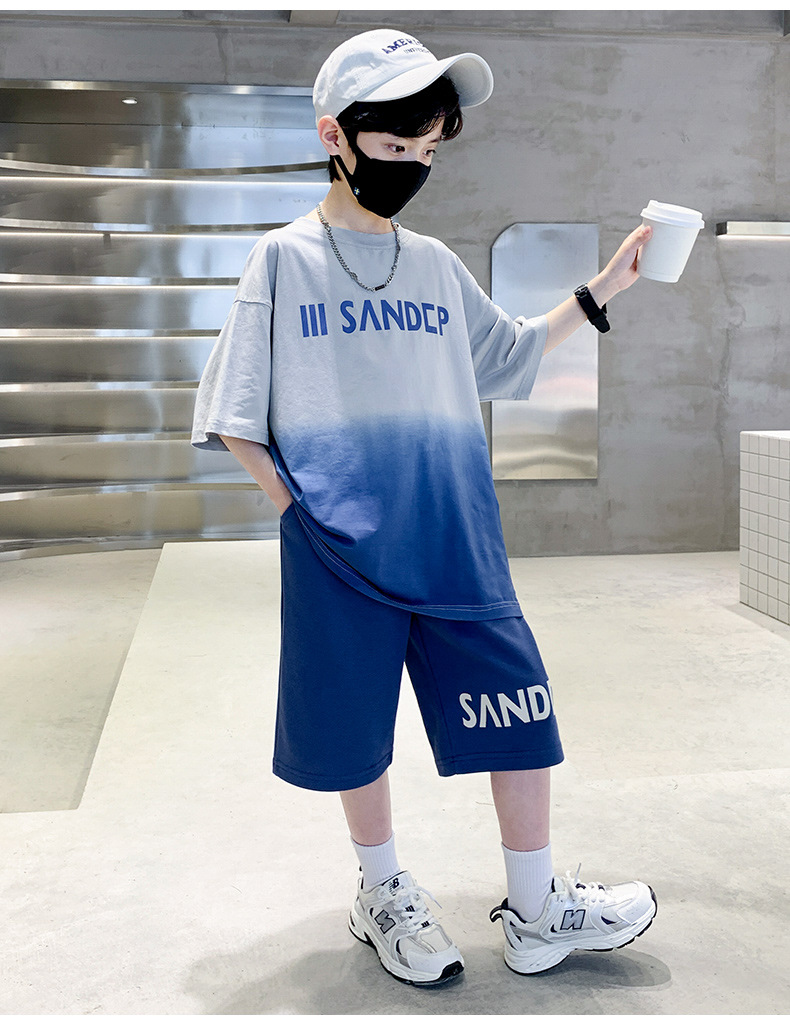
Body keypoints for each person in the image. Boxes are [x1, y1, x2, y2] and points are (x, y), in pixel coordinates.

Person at [192, 28, 657, 986]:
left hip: (455, 536)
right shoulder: (282, 261)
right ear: (335, 135)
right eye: (396, 145)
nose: (413, 165)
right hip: (338, 549)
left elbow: (511, 353)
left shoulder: (437, 265)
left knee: (519, 711)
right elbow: (233, 412)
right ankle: (383, 891)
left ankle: (536, 908)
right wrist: (302, 511)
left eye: (430, 150)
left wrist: (605, 287)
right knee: (355, 731)